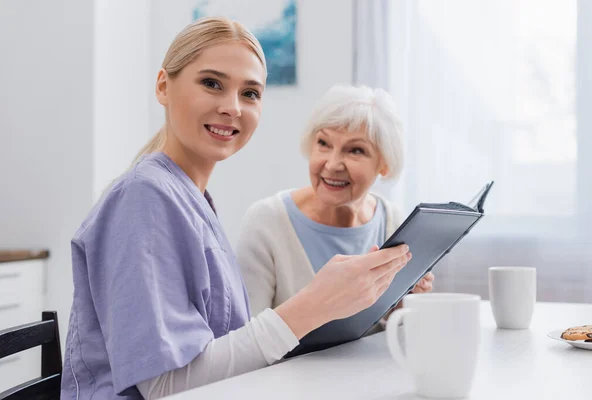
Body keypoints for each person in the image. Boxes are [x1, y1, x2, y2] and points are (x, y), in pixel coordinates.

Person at [60, 17, 411, 400]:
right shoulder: (142, 200)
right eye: (211, 83)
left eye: (250, 94)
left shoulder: (188, 199)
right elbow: (163, 386)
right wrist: (314, 305)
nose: (232, 108)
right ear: (164, 85)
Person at [238, 85, 434, 320]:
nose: (332, 164)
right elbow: (247, 336)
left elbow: (390, 335)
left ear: (384, 163)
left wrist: (404, 306)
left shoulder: (394, 222)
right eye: (323, 143)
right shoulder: (266, 221)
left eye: (356, 151)